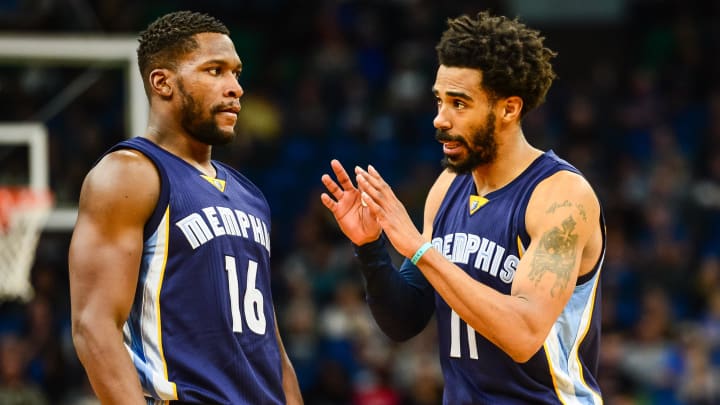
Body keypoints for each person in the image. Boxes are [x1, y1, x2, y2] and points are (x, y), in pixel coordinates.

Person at [321, 11, 605, 404]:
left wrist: (420, 249)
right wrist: (369, 247)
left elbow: (523, 335)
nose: (440, 119)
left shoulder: (561, 197)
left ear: (509, 109)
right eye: (439, 101)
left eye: (459, 104)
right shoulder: (449, 187)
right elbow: (404, 320)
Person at [68, 11, 302, 405]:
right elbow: (94, 327)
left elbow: (270, 344)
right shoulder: (130, 175)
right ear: (162, 82)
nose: (235, 88)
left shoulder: (249, 194)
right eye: (215, 71)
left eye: (237, 73)